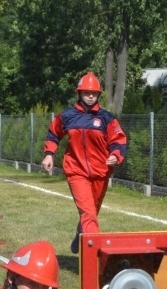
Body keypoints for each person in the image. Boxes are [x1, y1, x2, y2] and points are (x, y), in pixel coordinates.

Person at [41, 72, 127, 254]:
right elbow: (53, 133)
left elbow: (119, 140)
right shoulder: (67, 116)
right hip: (76, 171)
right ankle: (96, 257)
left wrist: (116, 155)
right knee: (88, 214)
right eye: (86, 92)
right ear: (79, 93)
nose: (90, 96)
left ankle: (81, 233)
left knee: (91, 213)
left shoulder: (106, 118)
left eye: (94, 93)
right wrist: (49, 154)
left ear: (98, 95)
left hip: (101, 173)